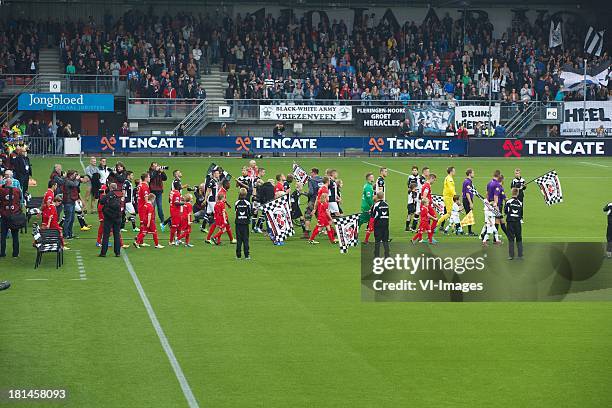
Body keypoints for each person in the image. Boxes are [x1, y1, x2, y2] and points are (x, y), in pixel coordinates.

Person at [98, 183, 123, 257]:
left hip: (109, 216)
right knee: (117, 234)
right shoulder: (120, 194)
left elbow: (101, 201)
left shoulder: (109, 194)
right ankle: (117, 252)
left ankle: (103, 252)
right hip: (118, 216)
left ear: (110, 188)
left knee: (106, 235)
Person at [0, 178, 23, 258]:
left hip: (4, 216)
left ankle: (2, 253)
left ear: (5, 183)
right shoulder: (17, 190)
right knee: (15, 236)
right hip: (14, 216)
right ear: (12, 183)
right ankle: (15, 254)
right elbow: (20, 199)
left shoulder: (2, 191)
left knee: (3, 236)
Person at [61, 170, 81, 240]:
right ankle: (65, 234)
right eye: (75, 175)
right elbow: (75, 185)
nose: (75, 176)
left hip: (71, 201)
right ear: (71, 175)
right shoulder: (68, 181)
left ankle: (70, 233)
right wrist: (78, 179)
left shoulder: (69, 180)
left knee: (71, 219)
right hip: (68, 202)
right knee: (68, 219)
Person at [504, 188, 523, 260]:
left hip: (510, 222)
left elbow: (505, 211)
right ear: (517, 194)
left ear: (512, 193)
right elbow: (521, 214)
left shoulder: (508, 201)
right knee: (519, 237)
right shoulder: (520, 203)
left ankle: (511, 255)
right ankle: (520, 254)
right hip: (518, 222)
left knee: (511, 238)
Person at [148, 163, 168, 229]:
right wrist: (156, 171)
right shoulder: (149, 172)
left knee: (160, 206)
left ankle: (162, 220)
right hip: (152, 191)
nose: (156, 167)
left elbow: (165, 178)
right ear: (151, 167)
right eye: (154, 166)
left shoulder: (159, 172)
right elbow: (151, 177)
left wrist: (162, 172)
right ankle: (152, 219)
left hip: (159, 191)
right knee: (152, 206)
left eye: (157, 165)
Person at [304, 168, 322, 237]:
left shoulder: (311, 180)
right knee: (321, 216)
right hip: (321, 200)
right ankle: (331, 230)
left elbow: (311, 192)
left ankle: (306, 232)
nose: (310, 174)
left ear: (314, 173)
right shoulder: (322, 179)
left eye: (311, 172)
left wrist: (305, 193)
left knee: (308, 215)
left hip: (313, 200)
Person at [372, 191, 390, 257]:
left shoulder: (376, 205)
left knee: (377, 240)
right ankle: (387, 255)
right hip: (385, 224)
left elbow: (373, 215)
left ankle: (376, 255)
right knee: (385, 240)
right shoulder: (386, 204)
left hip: (378, 225)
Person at [234, 188, 251, 259]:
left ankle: (238, 255)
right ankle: (246, 255)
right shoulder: (247, 203)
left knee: (239, 239)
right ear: (246, 194)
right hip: (245, 223)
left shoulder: (236, 202)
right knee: (245, 239)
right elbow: (249, 213)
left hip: (238, 223)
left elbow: (235, 211)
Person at [462, 168, 476, 236]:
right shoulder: (468, 182)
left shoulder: (467, 181)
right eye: (473, 173)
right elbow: (467, 193)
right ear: (470, 174)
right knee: (469, 215)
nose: (474, 174)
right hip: (467, 200)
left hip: (466, 199)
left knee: (469, 215)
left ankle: (469, 231)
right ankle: (469, 231)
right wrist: (470, 203)